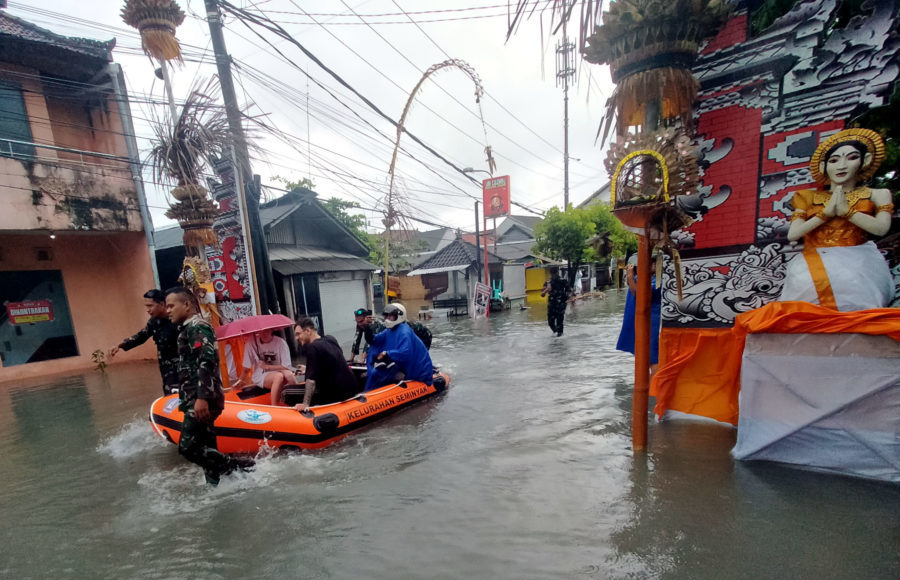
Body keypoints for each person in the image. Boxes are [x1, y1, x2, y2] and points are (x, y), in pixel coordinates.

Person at [779, 128, 894, 311]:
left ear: (865, 161)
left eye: (851, 157)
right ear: (824, 166)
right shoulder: (807, 196)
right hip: (814, 261)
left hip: (858, 261)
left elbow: (880, 229)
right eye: (834, 160)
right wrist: (826, 214)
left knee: (859, 307)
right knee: (803, 308)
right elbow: (793, 235)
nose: (842, 165)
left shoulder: (877, 194)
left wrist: (846, 212)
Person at [165, 286, 252, 485]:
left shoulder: (197, 326)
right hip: (195, 397)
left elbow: (207, 360)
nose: (168, 310)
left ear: (186, 305)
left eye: (171, 306)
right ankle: (216, 487)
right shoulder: (187, 328)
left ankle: (236, 466)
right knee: (207, 444)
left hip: (202, 399)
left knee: (187, 447)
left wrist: (202, 398)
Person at [109, 289, 179, 395]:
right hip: (166, 370)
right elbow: (141, 336)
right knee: (169, 399)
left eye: (150, 306)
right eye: (146, 306)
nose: (147, 310)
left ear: (162, 304)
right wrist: (120, 345)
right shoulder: (154, 321)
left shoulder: (177, 319)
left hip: (183, 368)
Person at [293, 317, 360, 412]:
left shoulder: (312, 348)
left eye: (298, 334)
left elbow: (311, 381)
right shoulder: (330, 339)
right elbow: (332, 361)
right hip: (352, 389)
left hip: (337, 395)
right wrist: (308, 368)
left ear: (308, 331)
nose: (296, 338)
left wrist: (305, 404)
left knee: (292, 393)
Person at [365, 304, 434, 392]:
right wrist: (367, 329)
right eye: (387, 316)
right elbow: (374, 340)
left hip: (415, 371)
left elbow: (405, 353)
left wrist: (386, 354)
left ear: (399, 316)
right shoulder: (388, 330)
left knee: (380, 375)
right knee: (375, 373)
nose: (388, 319)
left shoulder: (404, 331)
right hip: (401, 366)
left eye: (391, 316)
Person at [616, 260, 662, 374]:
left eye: (654, 263)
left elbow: (639, 295)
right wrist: (630, 275)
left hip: (650, 322)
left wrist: (631, 277)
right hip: (639, 321)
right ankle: (647, 388)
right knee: (643, 356)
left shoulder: (658, 281)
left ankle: (654, 390)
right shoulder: (645, 277)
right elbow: (631, 284)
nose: (651, 265)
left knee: (652, 358)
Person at [242, 329, 297, 406]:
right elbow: (247, 367)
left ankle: (297, 400)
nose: (264, 333)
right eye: (261, 331)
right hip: (262, 374)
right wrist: (241, 380)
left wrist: (268, 367)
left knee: (289, 375)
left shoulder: (281, 343)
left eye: (266, 331)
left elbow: (286, 366)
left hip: (279, 370)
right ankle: (274, 405)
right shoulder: (251, 342)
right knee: (278, 377)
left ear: (272, 330)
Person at [541, 267, 571, 336]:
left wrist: (568, 295)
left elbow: (568, 289)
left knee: (559, 321)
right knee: (550, 322)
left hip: (561, 303)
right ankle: (555, 333)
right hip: (552, 303)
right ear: (551, 274)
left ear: (557, 272)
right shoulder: (548, 282)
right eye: (552, 274)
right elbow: (543, 293)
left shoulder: (562, 280)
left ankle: (560, 337)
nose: (554, 275)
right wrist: (545, 291)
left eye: (555, 273)